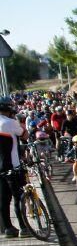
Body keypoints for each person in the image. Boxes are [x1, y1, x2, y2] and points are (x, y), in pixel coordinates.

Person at [0, 96, 27, 238]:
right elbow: (24, 136)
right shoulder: (10, 122)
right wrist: (21, 123)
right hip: (12, 166)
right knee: (19, 197)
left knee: (4, 199)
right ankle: (24, 227)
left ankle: (8, 229)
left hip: (0, 168)